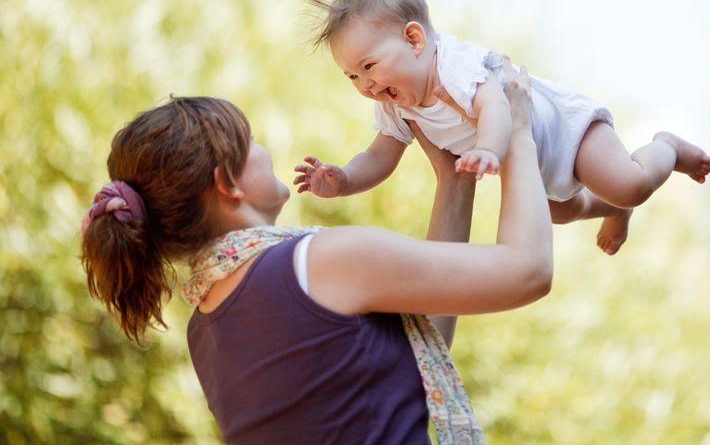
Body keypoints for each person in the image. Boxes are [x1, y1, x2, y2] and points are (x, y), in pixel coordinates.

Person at [79, 62, 552, 444]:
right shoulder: (319, 263)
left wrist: (453, 180)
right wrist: (519, 134)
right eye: (250, 142)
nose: (264, 149)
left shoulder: (205, 329)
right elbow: (528, 271)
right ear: (227, 183)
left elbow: (414, 353)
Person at [299, 0, 710, 255]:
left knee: (629, 185)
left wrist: (488, 148)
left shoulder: (452, 66)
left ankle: (666, 147)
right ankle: (612, 209)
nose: (365, 85)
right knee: (560, 211)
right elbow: (378, 158)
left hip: (567, 132)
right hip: (531, 163)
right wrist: (345, 180)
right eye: (352, 76)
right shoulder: (395, 105)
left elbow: (495, 106)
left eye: (369, 66)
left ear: (414, 39)